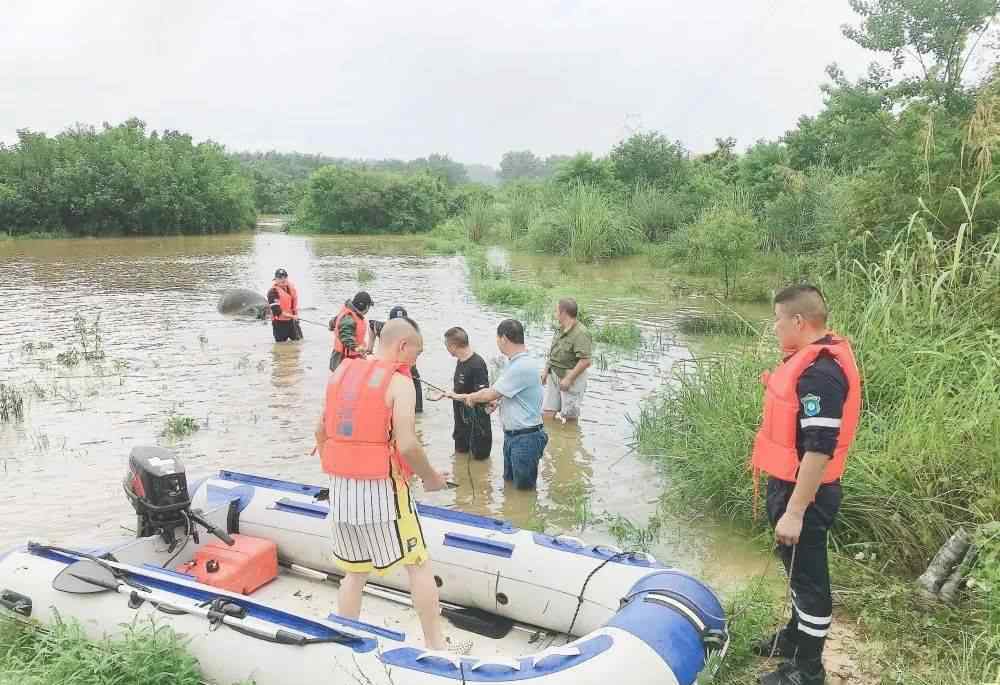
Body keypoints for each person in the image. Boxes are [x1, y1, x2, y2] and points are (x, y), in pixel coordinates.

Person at [313, 318, 459, 651]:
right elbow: (407, 445)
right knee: (418, 564)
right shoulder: (400, 383)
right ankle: (436, 645)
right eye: (416, 354)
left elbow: (319, 430)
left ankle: (346, 639)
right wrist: (431, 478)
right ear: (403, 346)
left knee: (354, 573)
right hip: (384, 492)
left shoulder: (340, 372)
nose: (415, 362)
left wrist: (337, 470)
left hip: (341, 492)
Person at [751, 285, 861, 685]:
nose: (775, 327)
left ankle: (808, 671)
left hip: (807, 496)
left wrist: (795, 511)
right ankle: (795, 638)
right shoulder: (809, 361)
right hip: (791, 487)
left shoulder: (821, 373)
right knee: (797, 573)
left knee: (810, 581)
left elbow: (819, 449)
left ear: (798, 321)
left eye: (778, 320)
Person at [450, 319, 546, 490]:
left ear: (504, 338)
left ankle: (522, 517)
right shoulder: (515, 363)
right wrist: (498, 402)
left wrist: (471, 397)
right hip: (514, 436)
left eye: (497, 338)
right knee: (510, 489)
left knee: (524, 492)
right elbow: (509, 394)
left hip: (525, 438)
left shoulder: (521, 365)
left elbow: (490, 392)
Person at [434, 326, 492, 459]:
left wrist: (455, 395)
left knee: (479, 464)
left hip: (477, 426)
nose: (446, 348)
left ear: (453, 346)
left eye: (446, 345)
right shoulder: (460, 361)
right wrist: (447, 394)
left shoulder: (477, 364)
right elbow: (460, 390)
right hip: (460, 423)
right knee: (459, 459)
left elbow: (484, 396)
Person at [542, 298, 592, 422]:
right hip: (554, 375)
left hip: (572, 378)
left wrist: (569, 379)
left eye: (556, 311)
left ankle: (570, 440)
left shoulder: (581, 333)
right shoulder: (560, 329)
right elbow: (553, 352)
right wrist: (545, 370)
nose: (555, 314)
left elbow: (585, 361)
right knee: (547, 414)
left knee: (570, 418)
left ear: (563, 313)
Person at [368, 305, 424, 414]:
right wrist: (369, 348)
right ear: (390, 323)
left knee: (417, 410)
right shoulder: (384, 328)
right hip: (388, 367)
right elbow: (371, 324)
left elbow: (418, 350)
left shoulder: (413, 334)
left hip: (408, 367)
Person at [329, 291, 373, 372]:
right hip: (342, 358)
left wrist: (332, 326)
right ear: (366, 307)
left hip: (350, 355)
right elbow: (346, 337)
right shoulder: (349, 318)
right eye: (369, 306)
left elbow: (333, 321)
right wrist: (356, 347)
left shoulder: (348, 312)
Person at [266, 268, 301, 343]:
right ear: (275, 279)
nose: (283, 279)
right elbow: (277, 312)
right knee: (281, 346)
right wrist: (293, 316)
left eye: (285, 277)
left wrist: (295, 317)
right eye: (280, 277)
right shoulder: (272, 292)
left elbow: (293, 307)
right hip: (279, 324)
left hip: (292, 322)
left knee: (299, 343)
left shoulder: (291, 288)